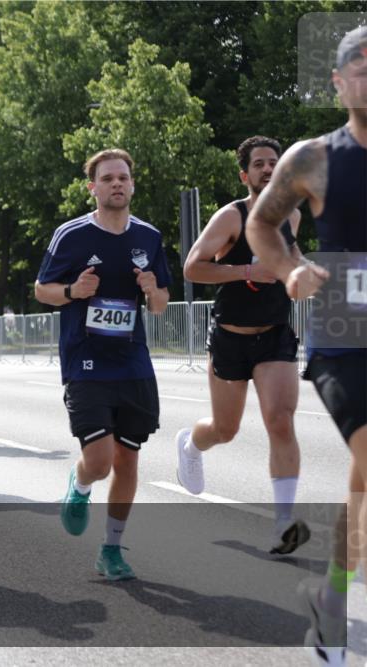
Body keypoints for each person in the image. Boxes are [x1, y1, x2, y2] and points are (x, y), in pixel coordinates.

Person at [247, 26, 367, 664]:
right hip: (344, 335)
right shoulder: (312, 158)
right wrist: (291, 267)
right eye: (361, 64)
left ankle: (332, 596)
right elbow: (261, 223)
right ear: (339, 82)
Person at [34, 149, 170, 581]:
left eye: (123, 177)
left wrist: (152, 290)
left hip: (133, 363)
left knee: (128, 461)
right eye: (107, 178)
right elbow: (42, 291)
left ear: (132, 185)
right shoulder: (71, 235)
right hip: (85, 362)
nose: (116, 184)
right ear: (92, 187)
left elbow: (162, 304)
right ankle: (81, 484)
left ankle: (111, 548)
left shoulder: (148, 237)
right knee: (99, 460)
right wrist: (74, 291)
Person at [178, 135, 309, 555]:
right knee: (225, 430)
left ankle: (283, 524)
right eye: (259, 164)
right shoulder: (230, 218)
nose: (268, 169)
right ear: (245, 174)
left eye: (275, 162)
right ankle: (191, 445)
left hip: (274, 336)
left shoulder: (291, 218)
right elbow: (193, 267)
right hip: (231, 338)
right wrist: (246, 269)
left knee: (281, 420)